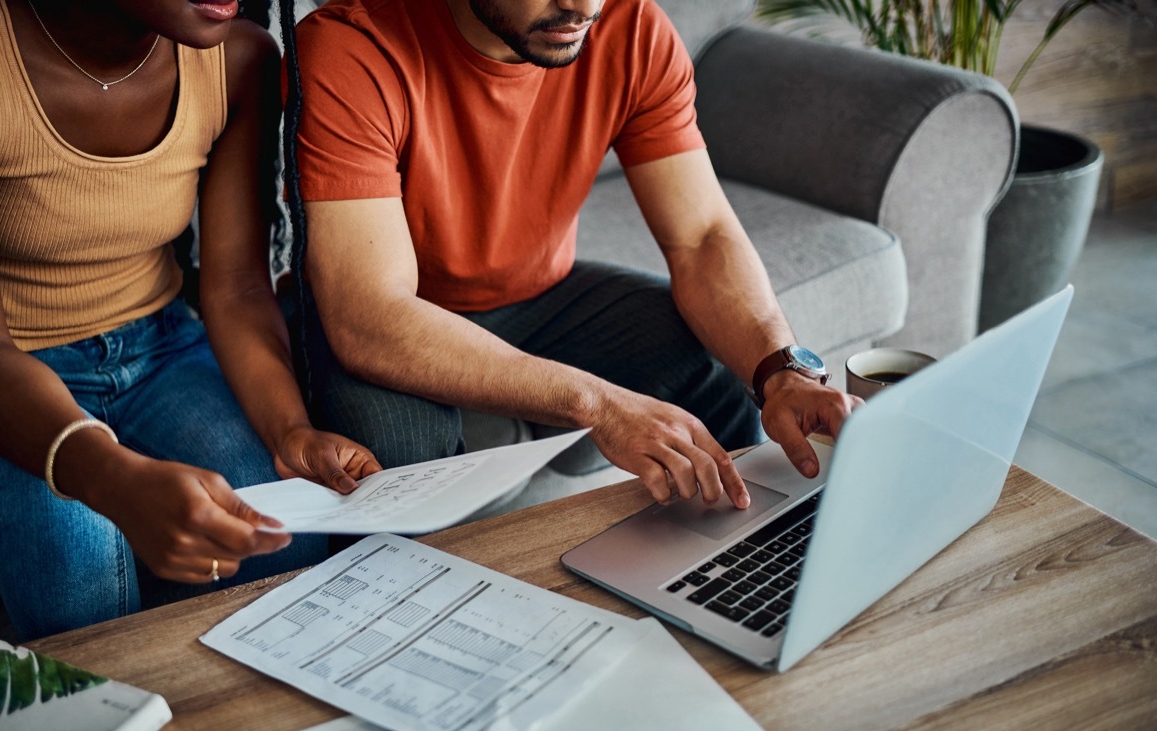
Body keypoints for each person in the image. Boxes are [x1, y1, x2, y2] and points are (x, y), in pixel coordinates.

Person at [280, 0, 861, 511]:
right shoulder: (350, 48)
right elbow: (369, 317)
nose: (583, 6)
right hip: (399, 312)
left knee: (712, 368)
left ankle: (730, 574)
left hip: (543, 295)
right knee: (401, 464)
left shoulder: (632, 30)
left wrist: (780, 371)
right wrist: (597, 404)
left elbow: (702, 235)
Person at [0, 0, 381, 641]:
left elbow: (237, 286)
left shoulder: (237, 59)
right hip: (3, 368)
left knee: (280, 531)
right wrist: (113, 478)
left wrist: (290, 428)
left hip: (161, 344)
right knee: (78, 571)